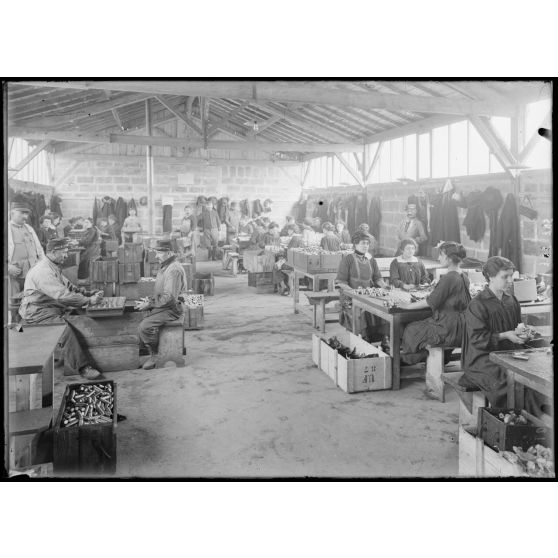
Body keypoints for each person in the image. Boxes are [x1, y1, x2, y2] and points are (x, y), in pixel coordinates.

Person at [459, 256, 549, 415]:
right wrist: (505, 335)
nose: (509, 280)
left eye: (511, 276)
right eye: (504, 277)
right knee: (508, 380)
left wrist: (523, 334)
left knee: (534, 378)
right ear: (490, 277)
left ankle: (537, 418)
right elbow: (476, 339)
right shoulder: (478, 304)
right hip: (481, 357)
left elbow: (516, 328)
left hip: (509, 351)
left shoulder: (511, 300)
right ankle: (518, 420)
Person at [18, 238, 104, 380]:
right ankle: (83, 367)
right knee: (65, 330)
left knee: (77, 314)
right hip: (37, 312)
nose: (66, 255)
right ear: (52, 252)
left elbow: (69, 287)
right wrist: (88, 300)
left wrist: (88, 293)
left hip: (50, 307)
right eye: (63, 252)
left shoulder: (53, 266)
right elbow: (63, 296)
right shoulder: (43, 271)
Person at [400, 242, 470, 365]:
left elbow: (430, 301)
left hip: (449, 328)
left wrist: (407, 306)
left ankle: (418, 359)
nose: (438, 258)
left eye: (441, 255)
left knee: (411, 329)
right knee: (422, 325)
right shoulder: (464, 276)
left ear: (448, 259)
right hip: (462, 326)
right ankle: (440, 359)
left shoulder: (449, 277)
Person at [135, 240, 188, 370]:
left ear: (169, 253)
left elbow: (169, 297)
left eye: (159, 252)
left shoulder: (173, 270)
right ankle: (148, 346)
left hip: (172, 308)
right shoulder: (166, 265)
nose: (156, 256)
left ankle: (155, 355)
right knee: (138, 314)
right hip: (166, 305)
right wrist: (149, 301)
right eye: (156, 252)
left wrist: (150, 304)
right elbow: (162, 293)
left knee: (144, 326)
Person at [336, 231, 388, 341]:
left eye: (367, 243)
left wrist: (384, 286)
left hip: (369, 296)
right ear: (355, 244)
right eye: (363, 243)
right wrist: (354, 293)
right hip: (350, 297)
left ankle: (380, 342)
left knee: (383, 312)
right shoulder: (348, 259)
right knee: (364, 314)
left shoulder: (371, 260)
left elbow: (377, 278)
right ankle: (363, 341)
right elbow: (341, 282)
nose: (366, 246)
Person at [8, 203, 44, 297]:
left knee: (31, 300)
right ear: (12, 213)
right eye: (22, 213)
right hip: (15, 275)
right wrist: (8, 267)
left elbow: (39, 250)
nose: (25, 216)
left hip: (32, 273)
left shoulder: (29, 228)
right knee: (14, 301)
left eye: (27, 214)